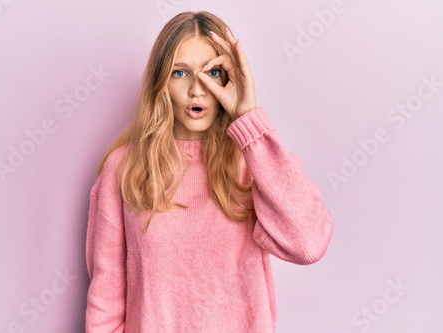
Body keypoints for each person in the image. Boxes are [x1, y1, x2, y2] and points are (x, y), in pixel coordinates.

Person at [85, 11, 333, 333]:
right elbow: (106, 301)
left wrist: (249, 119)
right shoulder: (125, 168)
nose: (197, 90)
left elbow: (308, 244)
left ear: (230, 78)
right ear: (160, 82)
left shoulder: (253, 162)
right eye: (179, 73)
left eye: (212, 71)